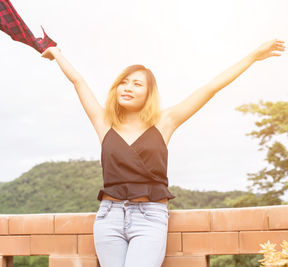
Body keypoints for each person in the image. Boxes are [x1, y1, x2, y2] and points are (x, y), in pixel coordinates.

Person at [41, 39, 285, 267]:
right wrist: (56, 53)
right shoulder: (104, 122)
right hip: (109, 217)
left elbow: (209, 88)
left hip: (149, 217)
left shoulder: (165, 122)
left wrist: (253, 56)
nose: (127, 88)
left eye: (137, 84)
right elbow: (79, 82)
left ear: (148, 94)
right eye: (123, 83)